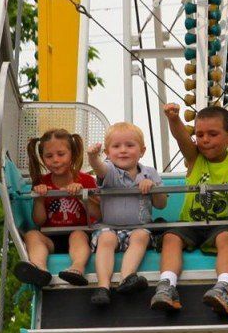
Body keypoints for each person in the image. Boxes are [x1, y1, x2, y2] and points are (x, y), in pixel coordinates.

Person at [151, 104, 228, 315]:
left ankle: (224, 286)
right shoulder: (194, 157)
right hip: (191, 223)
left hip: (222, 225)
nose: (205, 140)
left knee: (226, 238)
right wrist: (174, 119)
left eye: (212, 134)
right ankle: (167, 284)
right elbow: (181, 138)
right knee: (170, 238)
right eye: (199, 134)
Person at [86, 122, 166, 306]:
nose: (123, 150)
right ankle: (103, 287)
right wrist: (92, 157)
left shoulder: (150, 173)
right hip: (110, 228)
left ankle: (127, 278)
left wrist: (153, 189)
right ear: (107, 152)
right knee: (106, 239)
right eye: (116, 146)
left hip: (138, 228)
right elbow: (99, 168)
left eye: (130, 145)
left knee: (141, 235)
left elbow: (161, 204)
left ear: (142, 150)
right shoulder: (110, 170)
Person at [13, 128, 99, 288]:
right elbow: (39, 220)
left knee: (78, 234)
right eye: (49, 156)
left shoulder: (86, 180)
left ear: (72, 154)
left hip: (80, 234)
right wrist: (39, 200)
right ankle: (40, 269)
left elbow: (99, 214)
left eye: (61, 154)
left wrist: (81, 196)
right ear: (43, 158)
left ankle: (77, 268)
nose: (55, 160)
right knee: (31, 235)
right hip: (51, 238)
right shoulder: (41, 182)